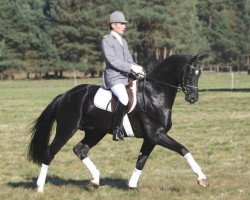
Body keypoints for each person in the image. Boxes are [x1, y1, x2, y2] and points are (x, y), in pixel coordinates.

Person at [101, 11, 145, 141]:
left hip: (126, 77)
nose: (124, 26)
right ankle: (116, 129)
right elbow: (113, 61)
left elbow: (129, 60)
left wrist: (138, 68)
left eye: (124, 24)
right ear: (113, 25)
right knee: (124, 98)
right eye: (122, 24)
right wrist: (131, 67)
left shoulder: (123, 41)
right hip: (113, 78)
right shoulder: (107, 41)